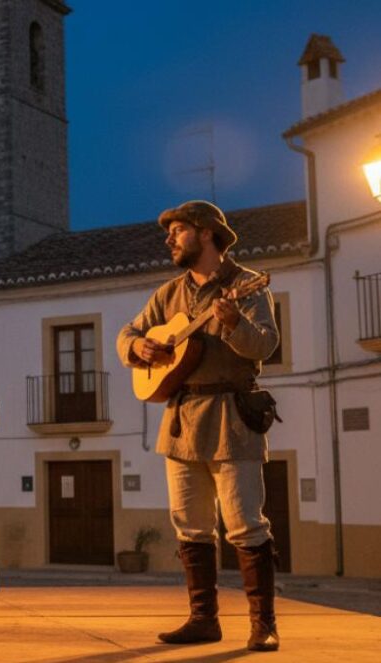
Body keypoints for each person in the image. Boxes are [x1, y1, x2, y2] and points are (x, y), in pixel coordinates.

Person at [117, 200, 281, 652]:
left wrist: (232, 325)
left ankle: (263, 624)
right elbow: (126, 334)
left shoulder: (247, 286)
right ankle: (203, 619)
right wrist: (140, 349)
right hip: (180, 421)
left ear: (206, 233)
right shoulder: (168, 294)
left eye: (178, 231)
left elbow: (264, 344)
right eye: (168, 233)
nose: (169, 239)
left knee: (246, 523)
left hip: (232, 417)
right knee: (190, 525)